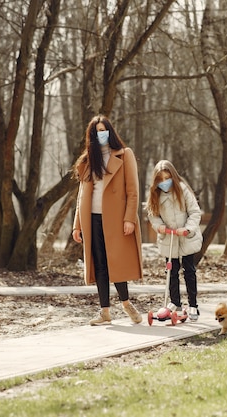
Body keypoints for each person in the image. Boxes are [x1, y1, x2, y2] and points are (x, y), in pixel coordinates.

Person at [72, 115, 143, 325]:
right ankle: (105, 311)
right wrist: (77, 225)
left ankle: (127, 303)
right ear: (92, 136)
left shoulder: (124, 154)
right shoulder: (88, 160)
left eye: (104, 130)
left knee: (116, 262)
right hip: (91, 219)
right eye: (97, 131)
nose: (101, 134)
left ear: (110, 131)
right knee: (100, 264)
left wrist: (129, 218)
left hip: (115, 219)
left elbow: (133, 191)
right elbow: (81, 195)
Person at [146, 160, 203, 321]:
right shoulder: (155, 194)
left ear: (173, 177)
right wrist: (159, 226)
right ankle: (175, 302)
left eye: (167, 178)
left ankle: (193, 305)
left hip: (185, 236)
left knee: (189, 271)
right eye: (161, 179)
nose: (164, 182)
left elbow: (195, 212)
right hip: (169, 237)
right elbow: (153, 215)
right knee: (171, 270)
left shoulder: (182, 191)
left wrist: (188, 228)